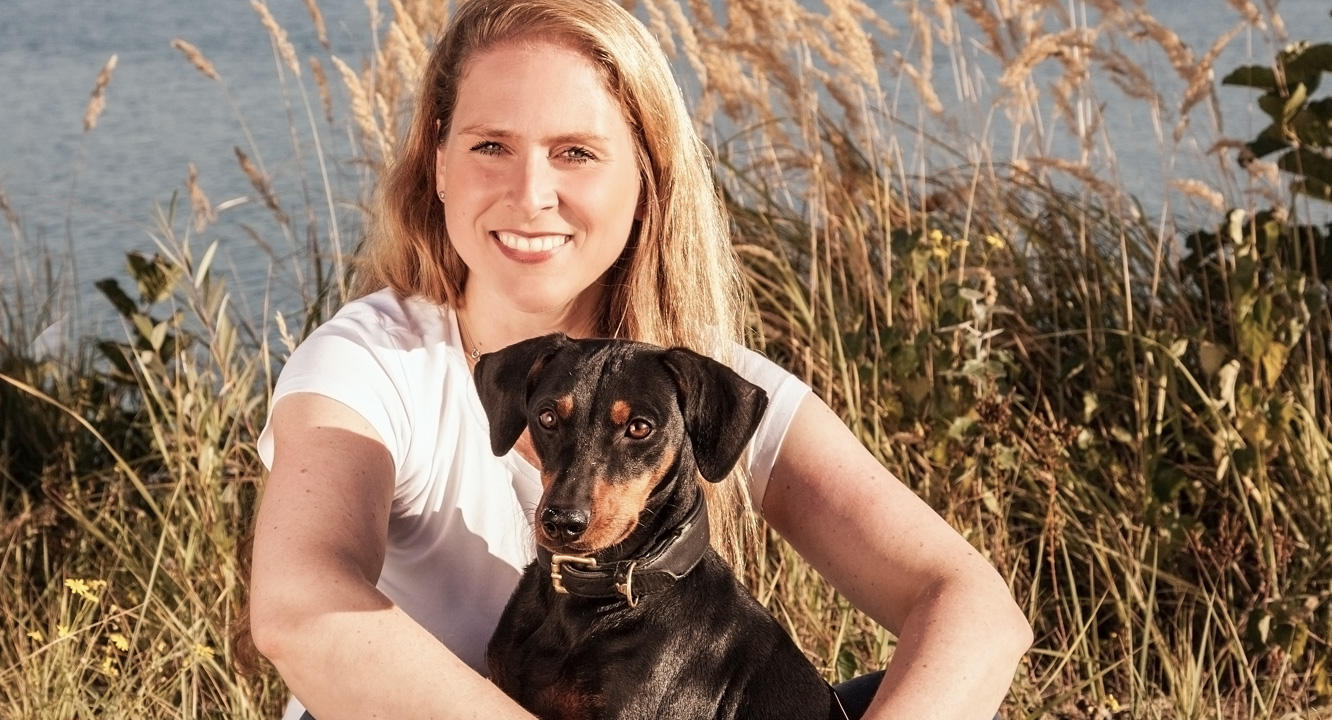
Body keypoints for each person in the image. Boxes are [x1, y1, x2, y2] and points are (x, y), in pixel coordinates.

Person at [245, 0, 1033, 718]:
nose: (530, 194)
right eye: (490, 146)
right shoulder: (373, 363)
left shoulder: (697, 381)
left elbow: (974, 609)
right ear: (439, 163)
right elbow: (300, 607)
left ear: (647, 176)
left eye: (575, 152)